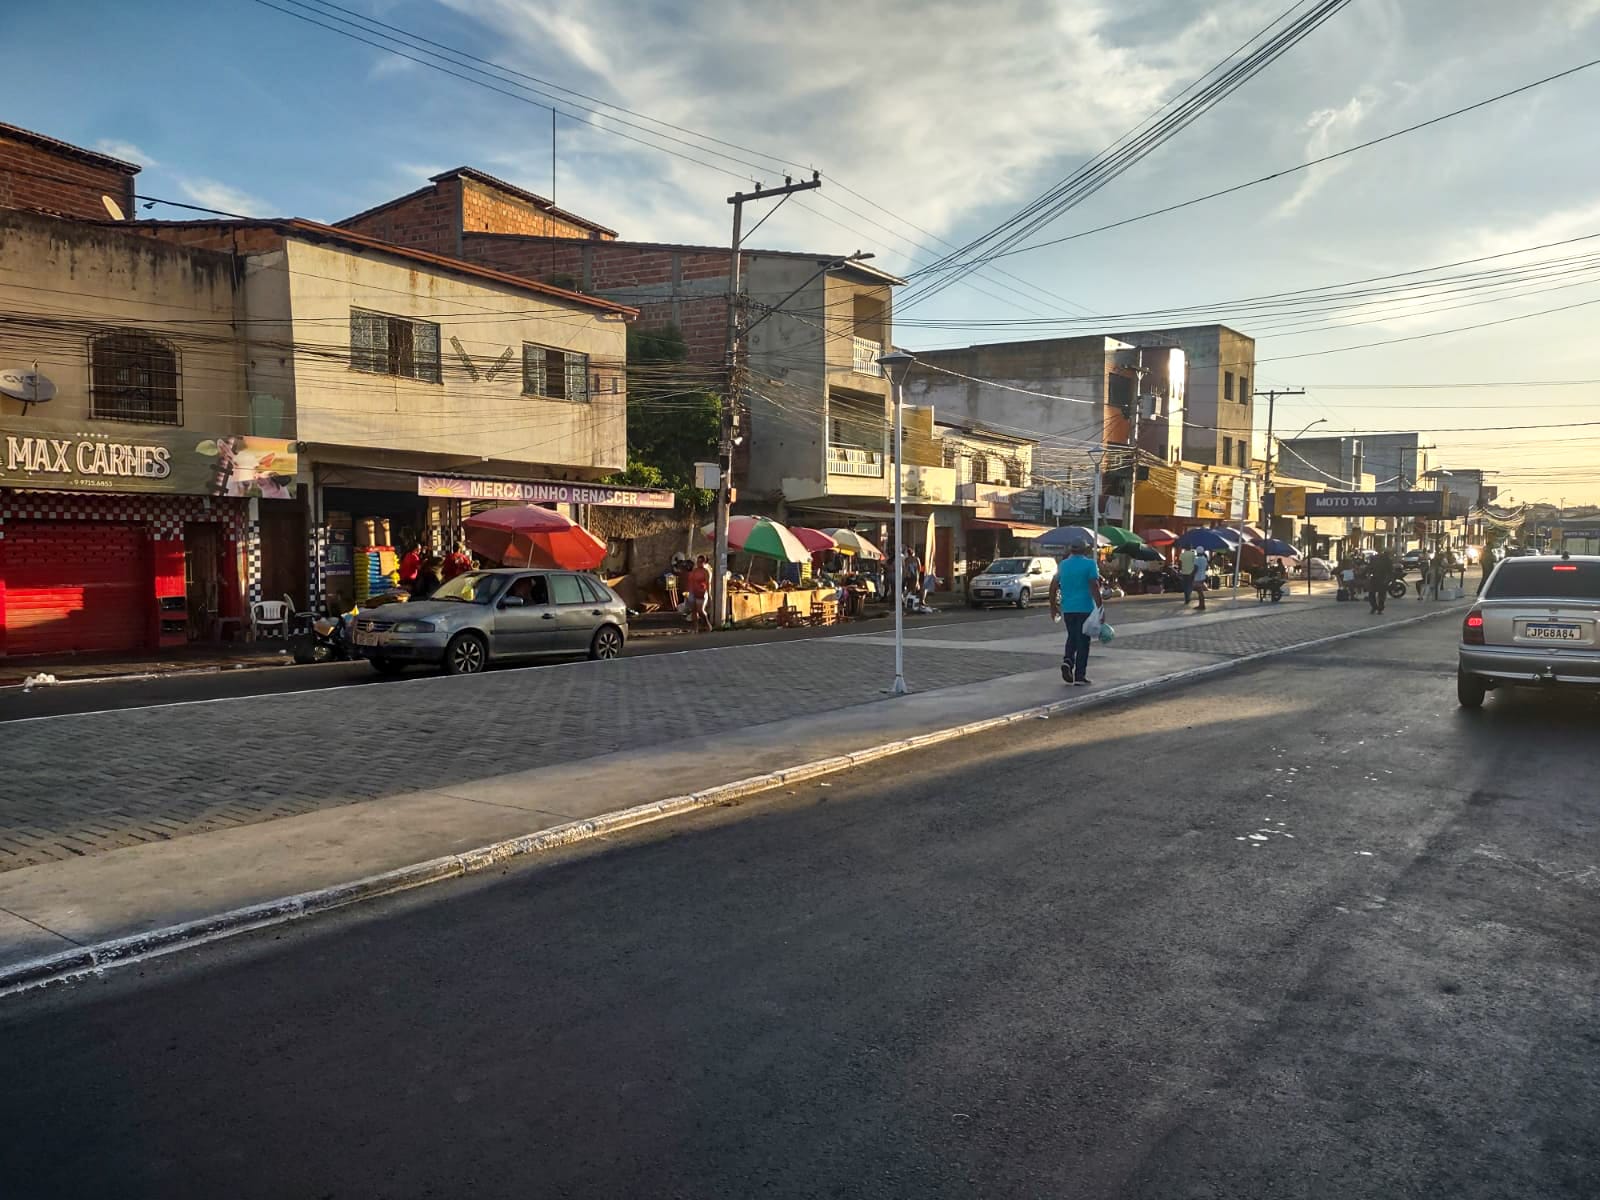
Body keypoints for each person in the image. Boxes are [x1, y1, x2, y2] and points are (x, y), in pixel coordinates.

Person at [1055, 540, 1104, 687]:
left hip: (1068, 608)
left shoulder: (1063, 565)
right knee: (1083, 641)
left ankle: (1068, 660)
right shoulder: (1090, 564)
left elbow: (1053, 585)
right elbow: (1094, 585)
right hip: (1085, 608)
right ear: (1085, 550)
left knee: (1072, 636)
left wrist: (1053, 606)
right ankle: (1080, 676)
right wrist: (1100, 607)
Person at [686, 554, 713, 633]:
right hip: (692, 592)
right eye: (698, 561)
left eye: (701, 561)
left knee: (700, 610)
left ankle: (707, 624)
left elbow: (708, 583)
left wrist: (709, 594)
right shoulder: (694, 570)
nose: (699, 563)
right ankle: (695, 628)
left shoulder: (706, 572)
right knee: (694, 610)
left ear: (704, 562)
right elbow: (690, 581)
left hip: (701, 592)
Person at [1369, 548, 1395, 613]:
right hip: (1382, 578)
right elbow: (1390, 571)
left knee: (1372, 593)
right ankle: (1380, 608)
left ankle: (1374, 607)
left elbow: (1370, 567)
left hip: (1374, 578)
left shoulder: (1376, 558)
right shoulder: (1388, 560)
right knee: (1382, 594)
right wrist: (1392, 580)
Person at [1191, 546, 1211, 612]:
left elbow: (1195, 568)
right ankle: (1201, 605)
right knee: (1200, 591)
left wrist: (1192, 575)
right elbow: (1206, 568)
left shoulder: (1196, 559)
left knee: (1200, 592)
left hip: (1197, 577)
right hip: (1202, 576)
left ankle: (1202, 605)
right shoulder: (1204, 559)